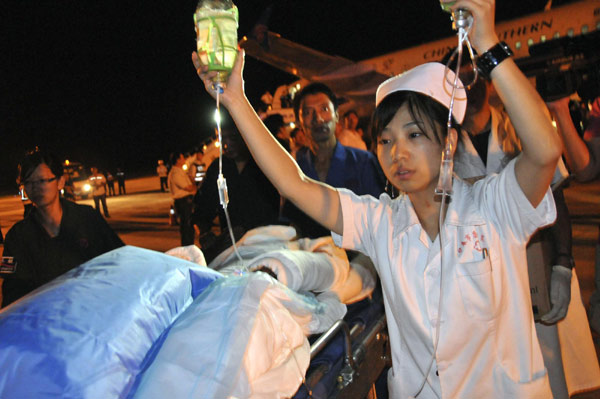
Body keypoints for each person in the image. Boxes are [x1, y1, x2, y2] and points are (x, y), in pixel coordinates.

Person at [193, 1, 562, 396]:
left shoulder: (494, 206)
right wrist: (235, 100)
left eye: (414, 134)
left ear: (449, 141)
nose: (397, 152)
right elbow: (294, 184)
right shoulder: (381, 223)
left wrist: (487, 42)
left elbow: (544, 151)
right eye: (385, 140)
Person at [445, 49, 600, 398]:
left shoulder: (519, 123)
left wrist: (562, 264)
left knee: (554, 368)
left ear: (486, 80)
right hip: (487, 278)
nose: (466, 85)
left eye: (471, 75)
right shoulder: (447, 148)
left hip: (539, 264)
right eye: (457, 78)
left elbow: (556, 192)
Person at [0, 149, 124, 307]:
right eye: (29, 182)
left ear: (60, 181)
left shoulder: (88, 218)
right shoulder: (17, 236)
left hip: (93, 311)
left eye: (43, 180)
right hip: (46, 322)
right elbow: (12, 291)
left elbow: (119, 260)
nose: (36, 188)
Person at [283, 82, 384, 238]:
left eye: (324, 109)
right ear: (300, 122)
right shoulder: (296, 168)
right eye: (308, 113)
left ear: (337, 115)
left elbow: (379, 219)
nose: (318, 119)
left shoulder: (363, 162)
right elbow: (290, 222)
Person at [192, 112, 281, 262]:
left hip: (267, 248)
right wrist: (204, 233)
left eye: (232, 138)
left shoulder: (266, 165)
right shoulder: (217, 168)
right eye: (222, 138)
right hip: (232, 252)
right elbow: (202, 206)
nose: (226, 145)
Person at [168, 152, 196, 246]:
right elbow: (188, 187)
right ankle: (187, 247)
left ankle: (189, 246)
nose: (184, 159)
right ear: (178, 160)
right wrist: (194, 187)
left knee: (189, 227)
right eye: (182, 158)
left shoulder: (180, 171)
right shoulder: (175, 173)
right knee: (186, 228)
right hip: (183, 202)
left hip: (186, 201)